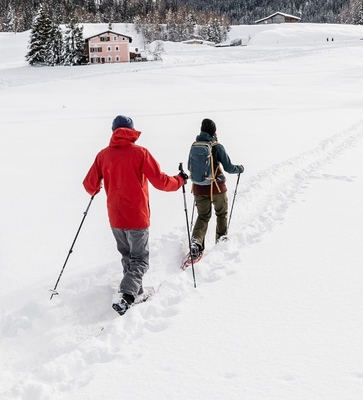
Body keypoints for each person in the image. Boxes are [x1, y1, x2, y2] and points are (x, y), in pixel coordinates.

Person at [83, 115, 187, 314]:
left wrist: (99, 186)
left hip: (115, 217)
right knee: (140, 260)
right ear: (132, 130)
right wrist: (180, 180)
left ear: (113, 131)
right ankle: (127, 295)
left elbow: (89, 185)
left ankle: (136, 292)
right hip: (137, 216)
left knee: (128, 256)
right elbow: (160, 181)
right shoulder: (140, 153)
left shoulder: (103, 155)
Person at [187, 118, 244, 261]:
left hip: (199, 189)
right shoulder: (217, 146)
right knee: (221, 213)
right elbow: (229, 168)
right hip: (217, 188)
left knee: (203, 216)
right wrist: (240, 169)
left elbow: (189, 167)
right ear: (214, 131)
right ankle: (221, 241)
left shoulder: (194, 145)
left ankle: (196, 242)